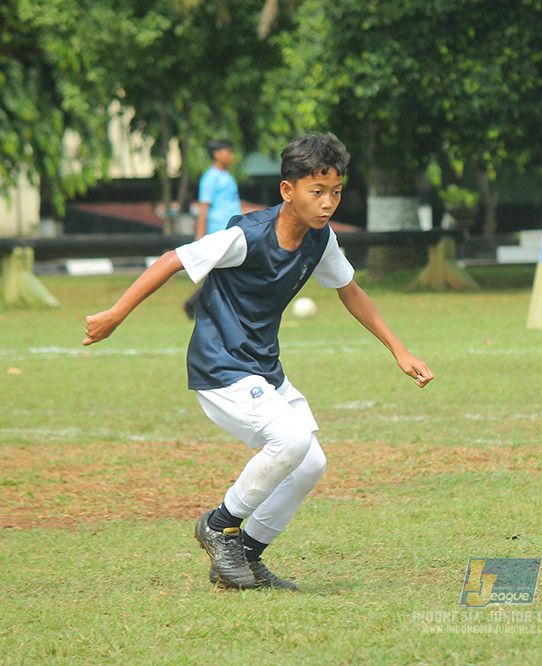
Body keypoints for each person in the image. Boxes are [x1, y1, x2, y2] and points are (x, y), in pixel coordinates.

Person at [83, 133, 434, 590]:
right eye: (317, 191)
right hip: (220, 367)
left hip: (262, 368)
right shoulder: (245, 236)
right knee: (289, 440)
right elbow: (173, 260)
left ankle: (244, 555)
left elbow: (351, 290)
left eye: (336, 192)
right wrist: (115, 314)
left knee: (310, 462)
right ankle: (218, 525)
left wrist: (399, 350)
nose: (328, 203)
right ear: (288, 191)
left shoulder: (319, 240)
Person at [183, 139, 244, 319]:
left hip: (233, 229)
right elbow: (204, 208)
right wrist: (200, 236)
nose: (231, 156)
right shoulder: (210, 178)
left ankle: (195, 303)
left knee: (226, 273)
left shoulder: (226, 176)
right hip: (219, 230)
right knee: (226, 273)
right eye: (228, 152)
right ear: (217, 154)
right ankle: (198, 304)